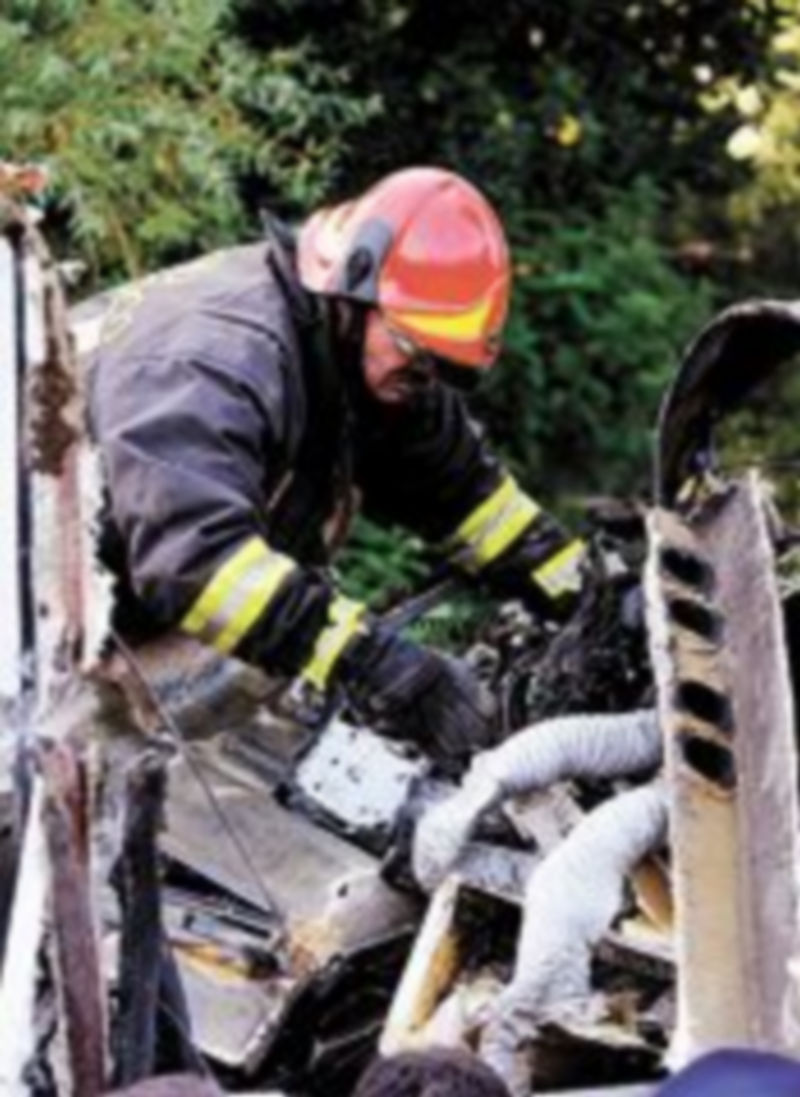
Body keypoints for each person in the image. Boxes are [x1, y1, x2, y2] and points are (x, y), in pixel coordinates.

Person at [88, 166, 586, 773]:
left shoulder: (365, 360)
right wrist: (370, 660)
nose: (423, 382)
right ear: (352, 291)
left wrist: (586, 596)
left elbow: (468, 498)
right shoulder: (218, 360)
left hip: (109, 614)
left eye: (441, 369)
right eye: (413, 353)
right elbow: (195, 564)